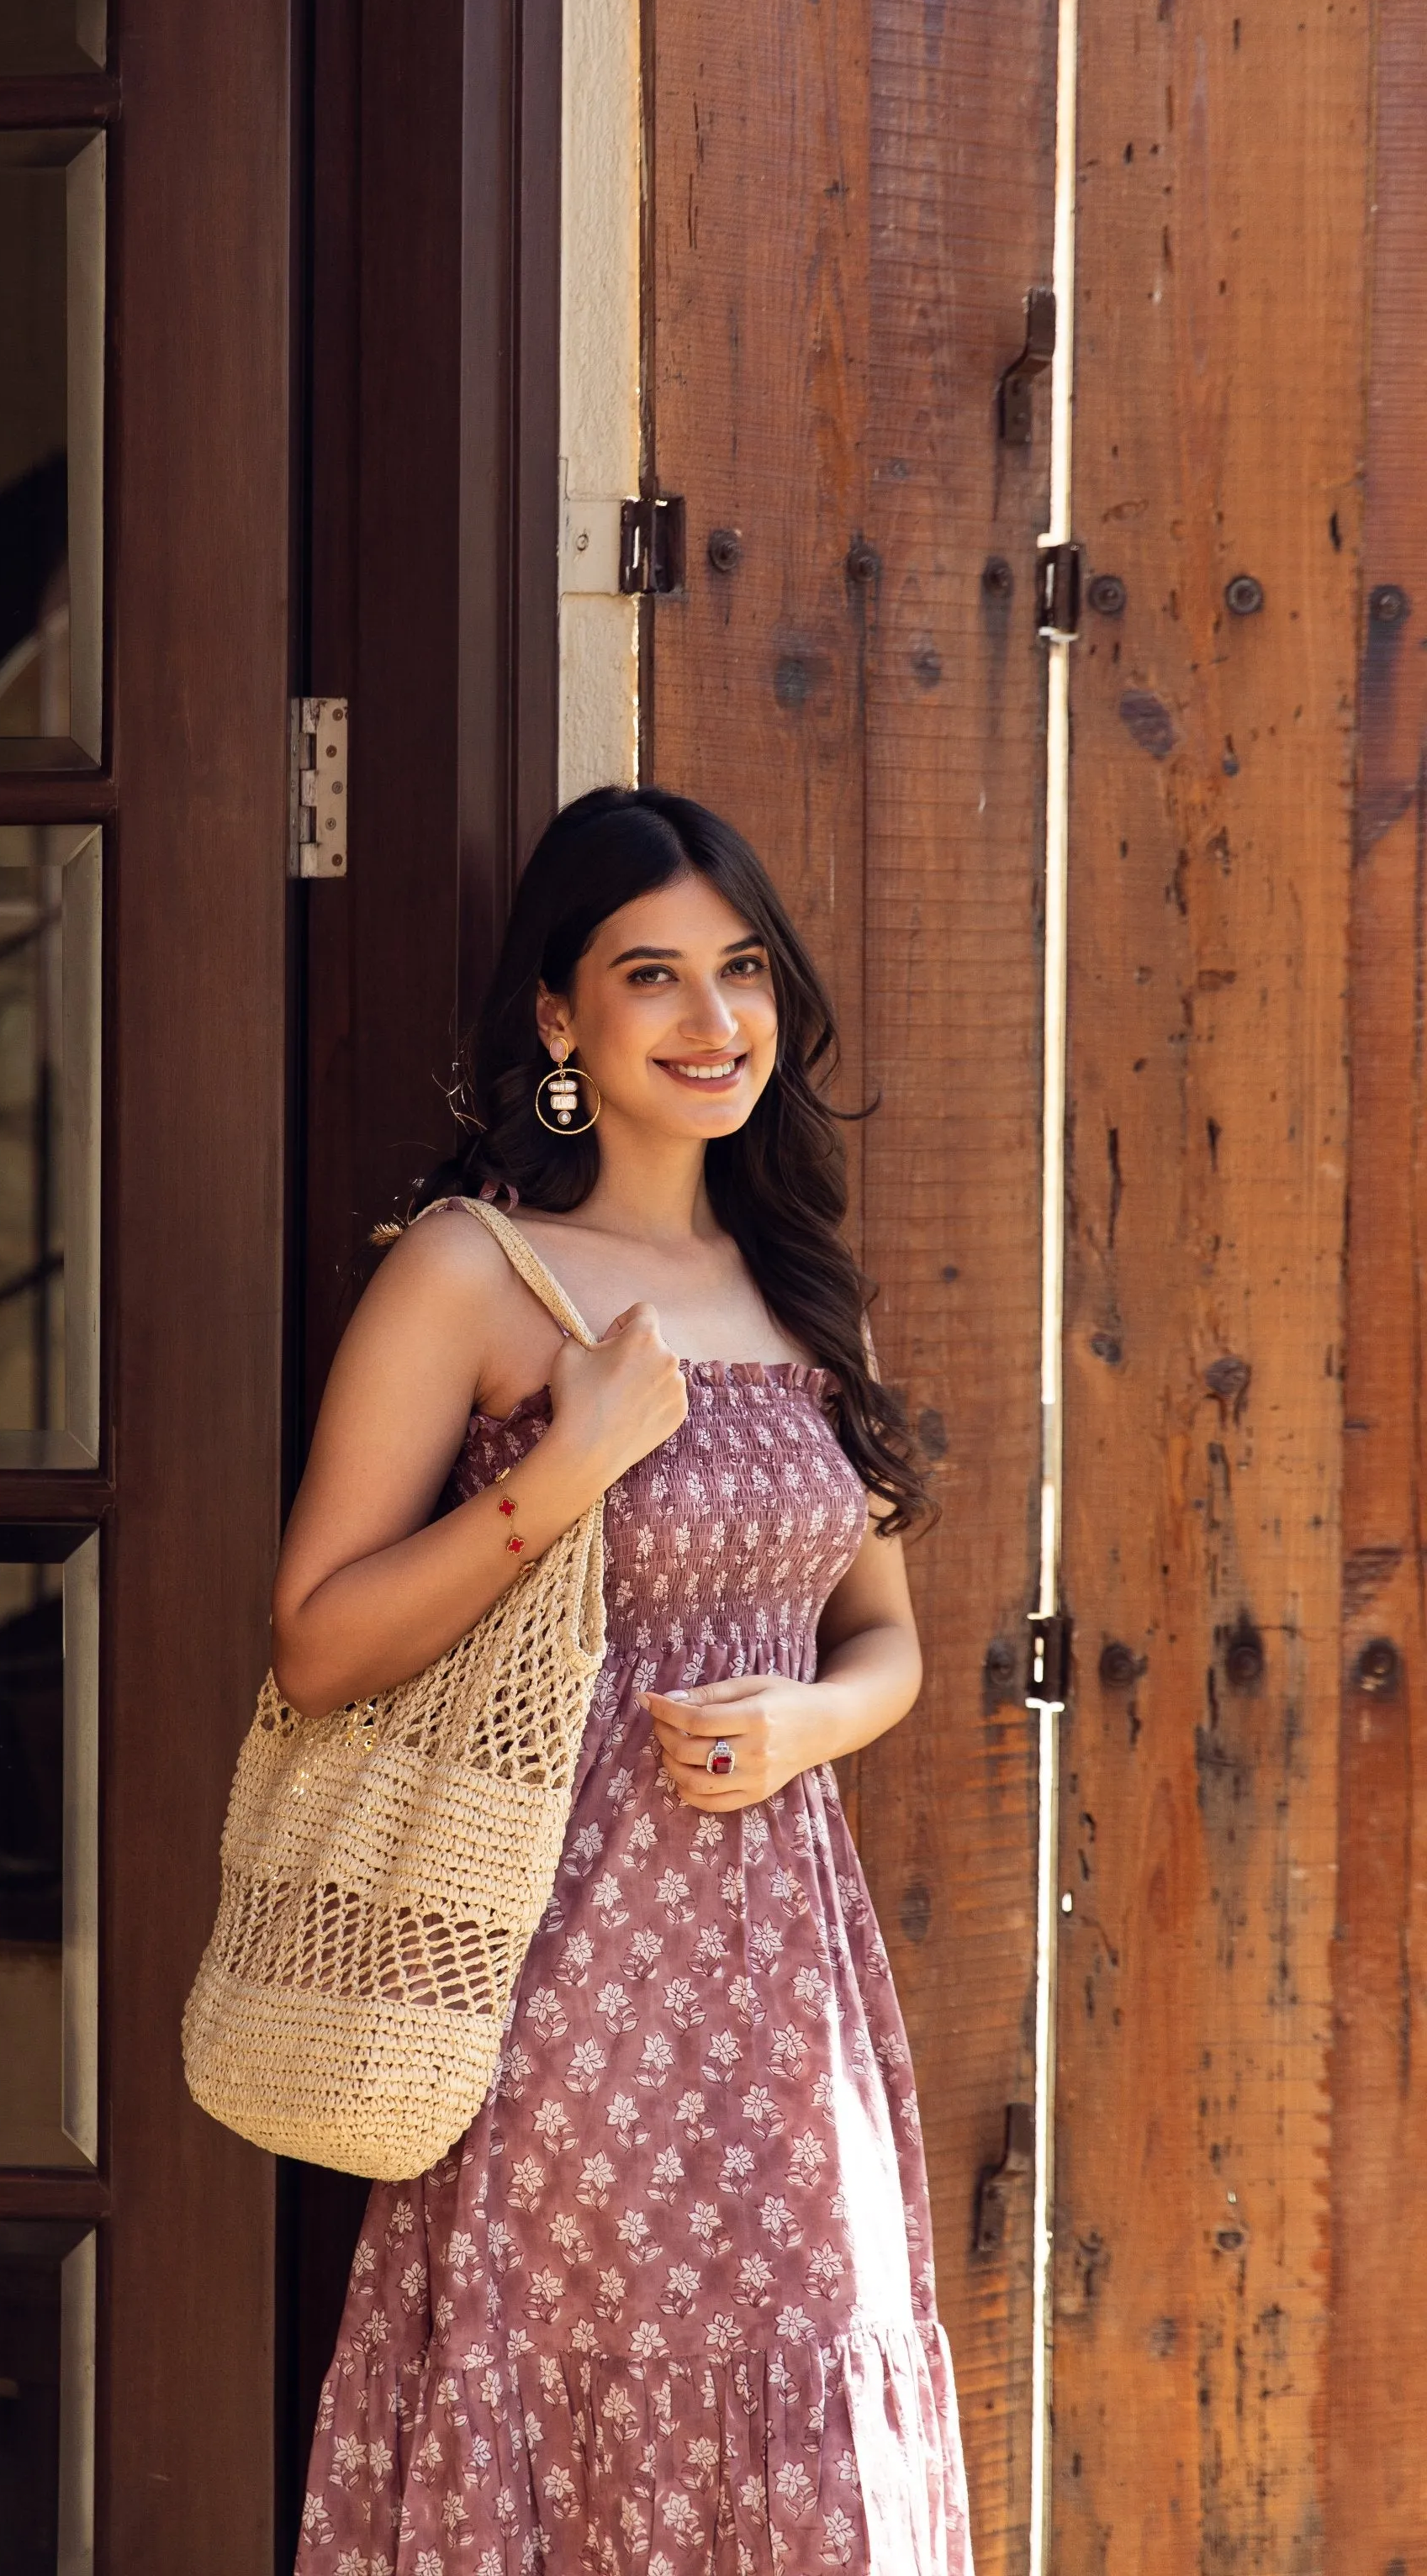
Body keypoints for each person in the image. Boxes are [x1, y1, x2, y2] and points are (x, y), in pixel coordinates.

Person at [274, 787, 971, 2575]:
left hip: (787, 1989)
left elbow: (882, 1639)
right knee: (584, 2423)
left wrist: (807, 1720)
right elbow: (318, 1640)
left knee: (808, 2424)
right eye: (648, 976)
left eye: (737, 971)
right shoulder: (472, 1273)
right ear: (556, 1021)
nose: (709, 1020)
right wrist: (557, 1474)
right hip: (553, 1983)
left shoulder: (804, 1287)